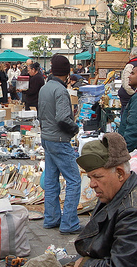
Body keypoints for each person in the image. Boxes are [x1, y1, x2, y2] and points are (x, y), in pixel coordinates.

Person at [70, 132, 137, 266]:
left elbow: (120, 265)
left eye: (97, 177)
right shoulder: (117, 191)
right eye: (90, 177)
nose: (92, 184)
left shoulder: (134, 212)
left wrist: (85, 264)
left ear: (120, 173)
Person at [38, 55, 81, 234]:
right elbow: (63, 118)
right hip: (59, 140)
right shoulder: (61, 91)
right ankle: (69, 223)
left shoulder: (45, 87)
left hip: (47, 138)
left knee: (51, 180)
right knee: (74, 180)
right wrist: (75, 128)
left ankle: (51, 218)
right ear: (68, 72)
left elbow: (41, 115)